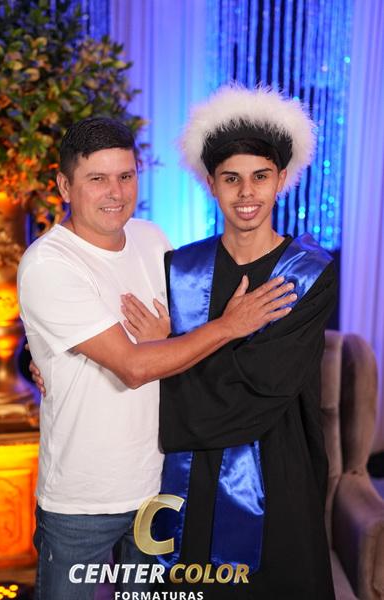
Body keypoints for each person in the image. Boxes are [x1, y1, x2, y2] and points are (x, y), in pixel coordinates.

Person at [17, 116, 293, 600]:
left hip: (157, 486)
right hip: (82, 501)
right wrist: (230, 325)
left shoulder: (151, 239)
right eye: (97, 178)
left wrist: (167, 336)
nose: (115, 192)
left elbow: (181, 337)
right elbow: (134, 367)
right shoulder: (49, 263)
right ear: (64, 185)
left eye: (126, 176)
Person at [122, 85, 337, 599]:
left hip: (279, 475)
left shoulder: (308, 274)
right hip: (188, 483)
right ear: (211, 184)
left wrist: (168, 356)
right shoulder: (179, 269)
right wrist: (44, 364)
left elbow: (262, 387)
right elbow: (109, 346)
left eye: (260, 176)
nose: (247, 193)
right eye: (231, 178)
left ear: (281, 180)